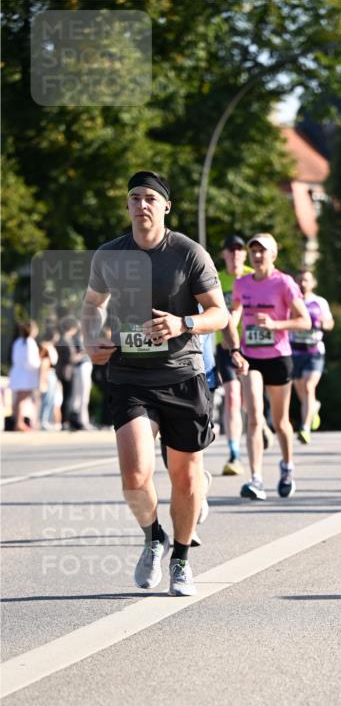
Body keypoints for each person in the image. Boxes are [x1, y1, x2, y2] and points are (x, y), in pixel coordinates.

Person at [82, 169, 240, 596]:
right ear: (128, 205)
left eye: (150, 197)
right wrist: (90, 338)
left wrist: (183, 322)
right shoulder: (109, 255)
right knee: (135, 475)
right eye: (135, 197)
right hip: (130, 375)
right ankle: (154, 538)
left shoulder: (189, 254)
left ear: (166, 206)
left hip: (182, 376)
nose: (142, 204)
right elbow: (93, 305)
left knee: (185, 481)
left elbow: (220, 314)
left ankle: (182, 558)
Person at [231, 233, 311, 500]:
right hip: (251, 356)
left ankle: (287, 468)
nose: (256, 255)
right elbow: (236, 312)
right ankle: (256, 479)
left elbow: (305, 321)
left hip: (278, 356)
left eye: (262, 251)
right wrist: (230, 330)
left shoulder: (284, 283)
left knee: (280, 422)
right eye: (253, 250)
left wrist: (276, 325)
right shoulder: (241, 284)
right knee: (254, 415)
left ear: (273, 255)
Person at [216, 234, 253, 475]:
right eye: (231, 249)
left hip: (253, 346)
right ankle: (234, 453)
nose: (236, 253)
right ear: (225, 254)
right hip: (227, 345)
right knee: (232, 396)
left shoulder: (254, 276)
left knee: (251, 400)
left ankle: (262, 425)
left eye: (240, 249)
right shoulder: (216, 279)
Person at [292, 269, 334, 444]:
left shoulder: (319, 302)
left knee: (309, 387)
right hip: (294, 351)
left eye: (306, 280)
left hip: (314, 351)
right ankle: (313, 408)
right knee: (301, 391)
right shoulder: (291, 301)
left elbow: (330, 322)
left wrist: (325, 323)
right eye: (300, 280)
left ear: (313, 283)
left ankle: (305, 428)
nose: (303, 284)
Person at [9, 320, 40, 431]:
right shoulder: (30, 342)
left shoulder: (18, 342)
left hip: (18, 373)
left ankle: (18, 422)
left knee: (18, 399)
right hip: (26, 375)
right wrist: (40, 364)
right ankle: (19, 423)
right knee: (21, 400)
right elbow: (32, 361)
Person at [38, 328, 60, 429]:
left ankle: (47, 420)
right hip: (48, 372)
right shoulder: (45, 346)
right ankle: (43, 420)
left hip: (52, 373)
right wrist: (43, 378)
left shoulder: (51, 346)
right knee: (46, 398)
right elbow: (44, 362)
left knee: (51, 398)